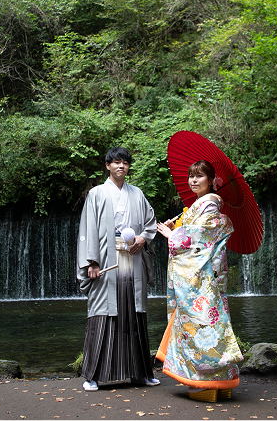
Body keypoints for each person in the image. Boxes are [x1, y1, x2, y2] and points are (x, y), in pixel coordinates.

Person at [155, 160, 243, 403]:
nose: (193, 180)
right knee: (213, 325)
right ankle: (221, 382)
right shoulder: (201, 205)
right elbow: (195, 235)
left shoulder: (210, 206)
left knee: (200, 324)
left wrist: (173, 235)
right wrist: (178, 227)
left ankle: (203, 383)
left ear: (211, 180)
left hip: (200, 279)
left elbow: (198, 238)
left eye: (200, 176)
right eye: (191, 176)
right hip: (205, 274)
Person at [76, 147, 160, 392]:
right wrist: (91, 262)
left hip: (133, 255)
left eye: (125, 162)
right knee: (103, 313)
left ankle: (140, 373)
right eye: (116, 162)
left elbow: (150, 222)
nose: (121, 166)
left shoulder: (137, 193)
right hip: (106, 257)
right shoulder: (96, 193)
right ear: (107, 166)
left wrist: (143, 238)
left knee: (135, 313)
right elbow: (87, 228)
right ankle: (92, 375)